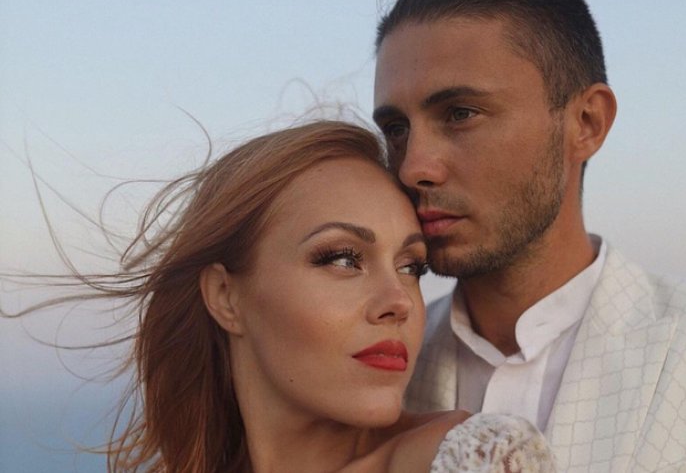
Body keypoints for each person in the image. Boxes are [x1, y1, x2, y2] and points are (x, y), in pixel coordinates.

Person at [2, 120, 556, 472]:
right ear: (226, 296)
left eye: (411, 266)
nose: (400, 302)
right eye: (343, 258)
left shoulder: (479, 460)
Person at [372, 0, 686, 472]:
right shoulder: (377, 377)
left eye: (461, 114)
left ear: (586, 122)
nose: (413, 167)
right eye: (396, 129)